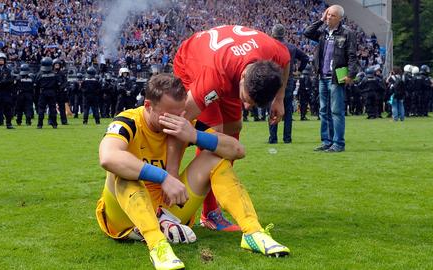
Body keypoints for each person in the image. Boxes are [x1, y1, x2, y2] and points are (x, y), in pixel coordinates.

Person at [96, 73, 290, 270]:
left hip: (169, 209)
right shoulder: (129, 121)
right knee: (121, 171)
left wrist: (194, 135)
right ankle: (157, 244)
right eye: (168, 114)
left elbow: (237, 150)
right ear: (148, 106)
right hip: (123, 216)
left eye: (180, 114)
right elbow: (108, 157)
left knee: (215, 156)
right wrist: (163, 177)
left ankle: (252, 232)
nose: (177, 119)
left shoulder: (183, 124)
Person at [170, 25, 291, 230]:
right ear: (243, 77)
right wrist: (170, 176)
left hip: (228, 65)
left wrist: (279, 99)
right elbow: (177, 122)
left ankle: (212, 206)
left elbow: (286, 60)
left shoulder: (272, 51)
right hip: (191, 62)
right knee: (215, 135)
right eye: (246, 99)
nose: (246, 106)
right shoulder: (213, 77)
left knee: (234, 127)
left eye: (252, 104)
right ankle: (209, 213)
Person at [304, 5, 357, 152]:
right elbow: (307, 33)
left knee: (336, 111)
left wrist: (351, 75)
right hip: (322, 76)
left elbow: (352, 55)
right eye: (328, 15)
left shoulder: (347, 33)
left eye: (332, 15)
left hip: (336, 77)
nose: (329, 17)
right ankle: (327, 141)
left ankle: (338, 143)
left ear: (340, 18)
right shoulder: (322, 33)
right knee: (323, 111)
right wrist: (320, 20)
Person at [268, 23, 309, 144]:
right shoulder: (291, 47)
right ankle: (287, 138)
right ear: (284, 34)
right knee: (288, 110)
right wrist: (299, 71)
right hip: (288, 81)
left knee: (273, 109)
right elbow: (305, 58)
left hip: (273, 80)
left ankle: (273, 138)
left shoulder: (269, 46)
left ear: (273, 33)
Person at [34, 57, 61, 129]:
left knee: (41, 109)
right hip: (52, 92)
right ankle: (54, 124)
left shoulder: (39, 74)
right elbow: (58, 84)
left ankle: (40, 124)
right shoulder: (54, 74)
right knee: (52, 109)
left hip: (43, 92)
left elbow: (36, 85)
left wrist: (37, 95)